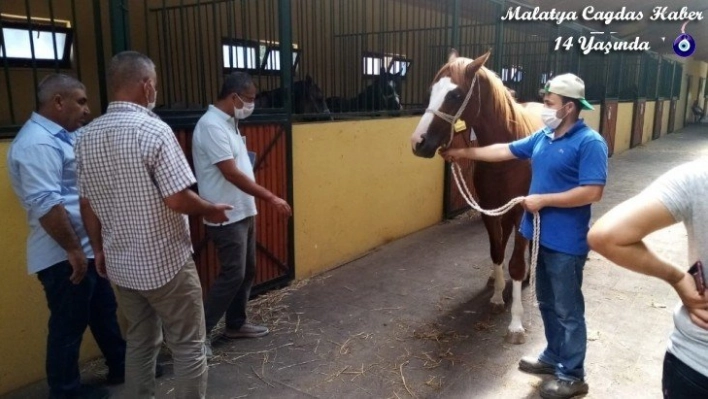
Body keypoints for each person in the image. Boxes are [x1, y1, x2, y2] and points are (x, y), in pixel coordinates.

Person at [440, 73, 608, 399]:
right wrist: (465, 154)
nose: (544, 107)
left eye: (549, 103)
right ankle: (553, 357)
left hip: (566, 242)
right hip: (540, 234)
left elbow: (593, 192)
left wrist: (543, 200)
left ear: (569, 107)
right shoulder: (544, 136)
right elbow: (504, 149)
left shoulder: (590, 143)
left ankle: (573, 375)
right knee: (546, 301)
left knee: (568, 310)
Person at [75, 51, 231, 399]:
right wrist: (209, 209)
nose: (155, 90)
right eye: (155, 84)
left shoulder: (86, 137)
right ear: (146, 85)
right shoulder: (154, 130)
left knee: (140, 341)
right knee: (189, 345)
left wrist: (98, 249)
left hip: (121, 264)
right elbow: (177, 198)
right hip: (166, 262)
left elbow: (86, 203)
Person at [7, 74, 125, 399]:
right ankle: (65, 392)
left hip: (85, 249)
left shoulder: (64, 135)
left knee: (103, 310)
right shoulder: (37, 143)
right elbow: (46, 203)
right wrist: (73, 249)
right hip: (64, 256)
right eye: (81, 102)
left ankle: (121, 364)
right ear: (59, 102)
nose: (87, 110)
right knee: (68, 326)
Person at [191, 72, 292, 357]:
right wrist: (270, 196)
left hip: (242, 210)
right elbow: (230, 173)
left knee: (246, 271)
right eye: (248, 99)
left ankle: (236, 324)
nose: (251, 104)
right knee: (232, 274)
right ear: (233, 96)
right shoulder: (211, 126)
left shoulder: (229, 123)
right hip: (225, 213)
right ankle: (199, 337)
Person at [588, 160, 708, 398]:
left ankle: (569, 372)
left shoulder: (699, 176)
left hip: (697, 362)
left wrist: (677, 278)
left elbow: (593, 196)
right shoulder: (542, 140)